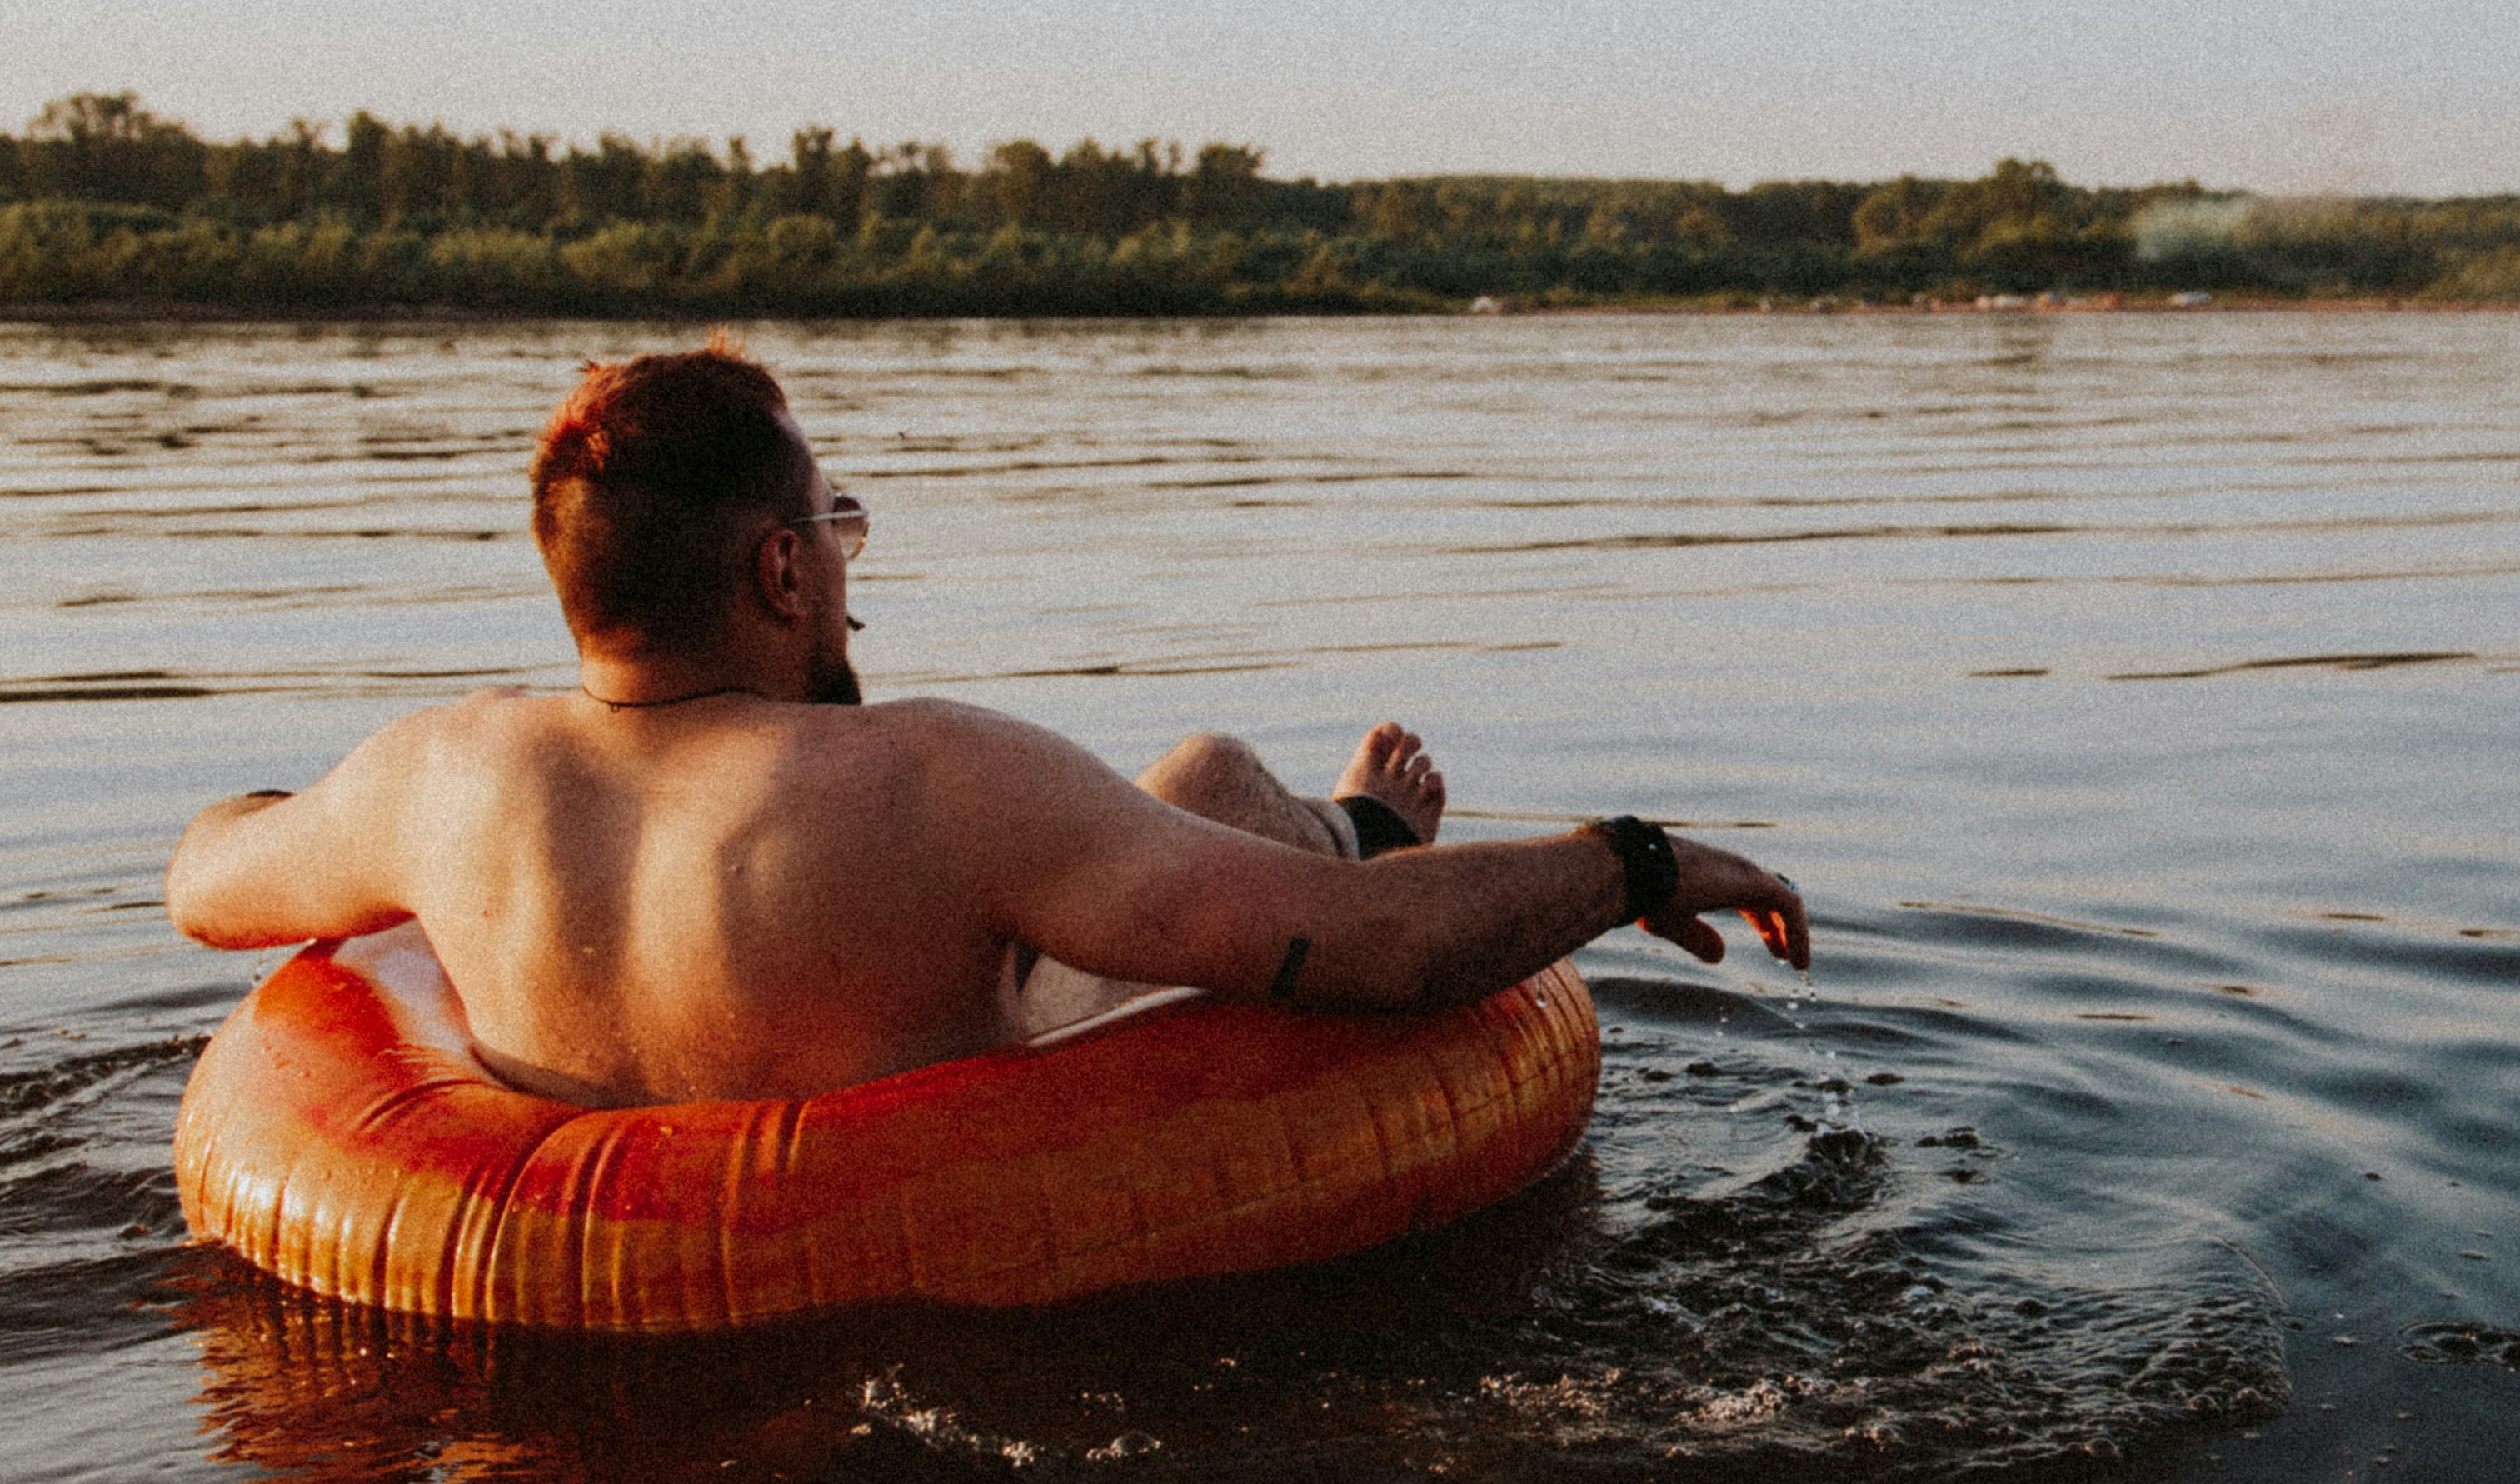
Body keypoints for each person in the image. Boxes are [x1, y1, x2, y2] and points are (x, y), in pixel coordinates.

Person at [163, 345, 1808, 1104]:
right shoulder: (932, 778)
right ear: (783, 567)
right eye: (844, 529)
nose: (853, 571)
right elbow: (1370, 956)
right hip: (954, 1303)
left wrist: (321, 819)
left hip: (589, 1369)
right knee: (1212, 788)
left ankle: (1286, 806)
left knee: (1197, 786)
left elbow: (204, 881)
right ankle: (1345, 815)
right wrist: (1639, 857)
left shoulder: (430, 779)